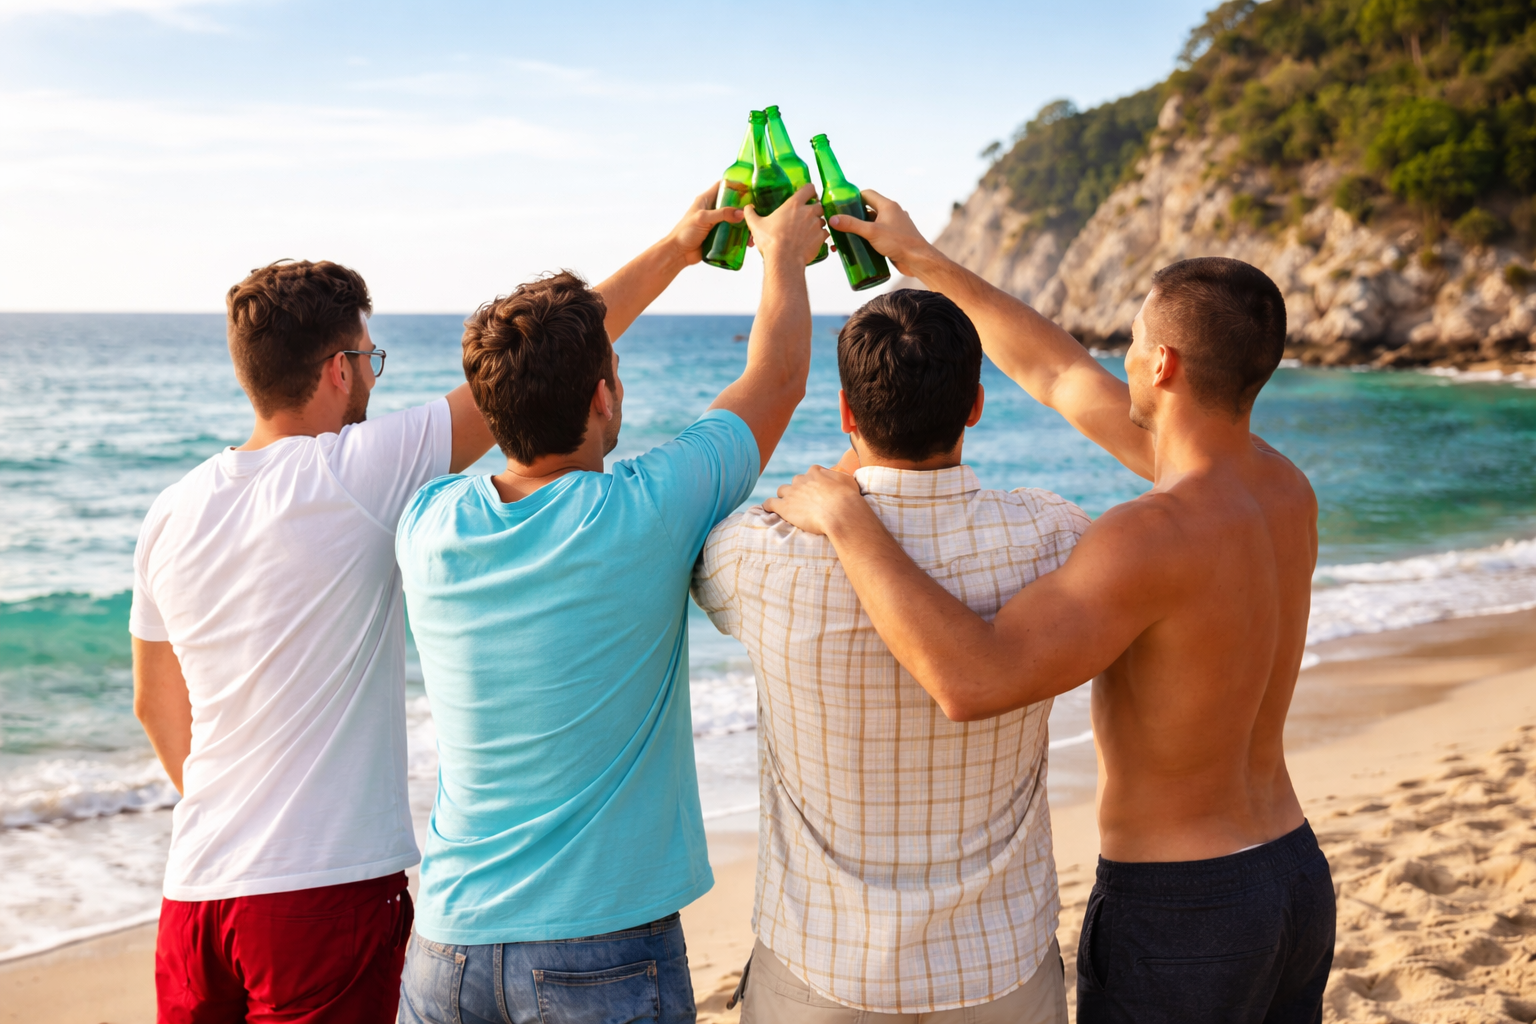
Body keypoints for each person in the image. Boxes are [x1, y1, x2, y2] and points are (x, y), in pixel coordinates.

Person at [763, 195, 1334, 1024]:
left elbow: (973, 679)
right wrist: (919, 259)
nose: (1120, 359)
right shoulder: (1284, 488)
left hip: (1185, 908)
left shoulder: (1149, 535)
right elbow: (1061, 375)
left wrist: (848, 517)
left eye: (1133, 344)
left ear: (1165, 364)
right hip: (1291, 878)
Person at [392, 186, 826, 1024]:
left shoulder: (427, 522)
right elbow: (776, 378)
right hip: (601, 950)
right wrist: (781, 256)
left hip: (446, 950)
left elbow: (538, 373)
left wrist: (673, 249)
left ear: (489, 406)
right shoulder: (643, 511)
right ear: (603, 396)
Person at [692, 288, 1087, 1024]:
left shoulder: (758, 553)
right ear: (974, 404)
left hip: (820, 964)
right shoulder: (1053, 538)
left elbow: (702, 567)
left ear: (846, 414)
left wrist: (842, 488)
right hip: (997, 960)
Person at [129, 258, 497, 1022]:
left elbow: (155, 706)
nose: (373, 378)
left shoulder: (171, 508)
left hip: (195, 893)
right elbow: (520, 379)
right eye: (370, 360)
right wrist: (681, 245)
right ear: (339, 369)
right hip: (320, 892)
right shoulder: (354, 472)